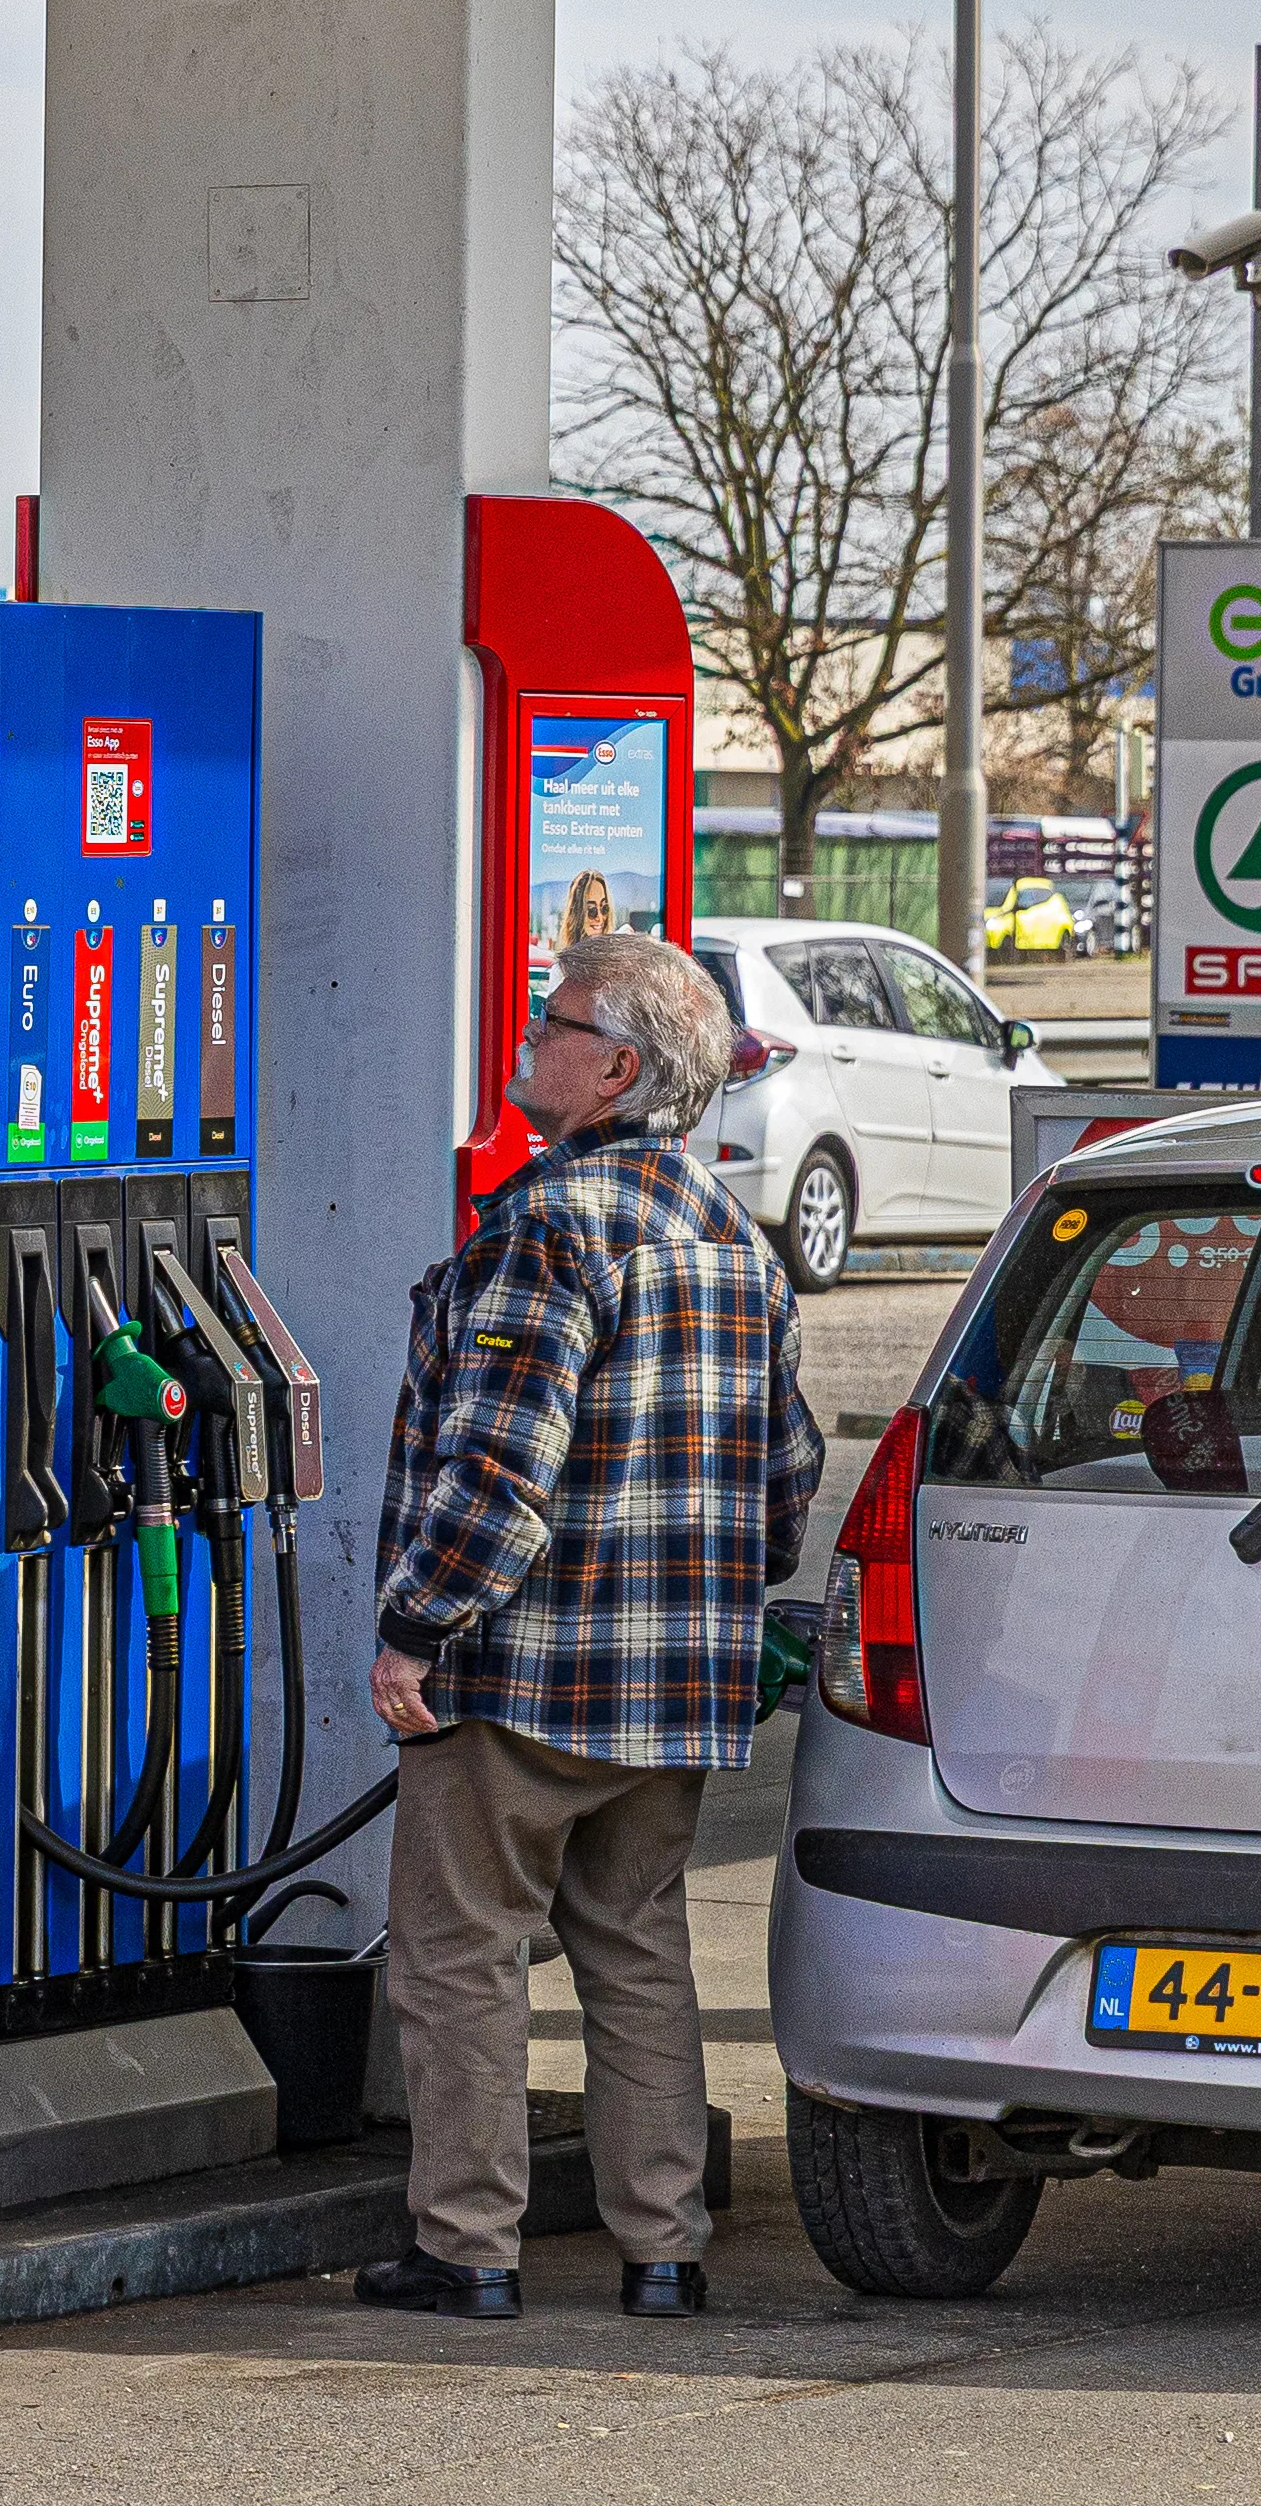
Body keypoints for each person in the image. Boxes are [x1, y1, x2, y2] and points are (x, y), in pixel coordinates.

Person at [352, 931, 822, 2324]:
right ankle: (662, 2246)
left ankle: (468, 2245)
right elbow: (783, 1482)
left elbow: (497, 1473)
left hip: (521, 1681)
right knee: (635, 1948)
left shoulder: (547, 1229)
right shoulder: (738, 1246)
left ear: (614, 1068)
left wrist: (412, 1625)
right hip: (673, 1689)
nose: (525, 1039)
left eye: (549, 1022)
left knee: (458, 1950)